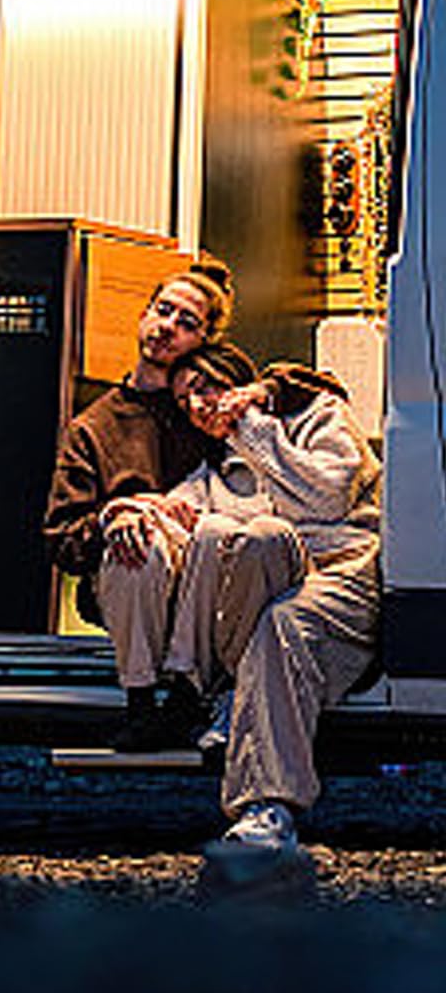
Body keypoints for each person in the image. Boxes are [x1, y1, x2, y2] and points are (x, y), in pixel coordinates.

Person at [158, 339, 381, 850]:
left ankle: (265, 798)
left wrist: (251, 425)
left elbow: (328, 496)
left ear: (237, 380)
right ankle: (262, 803)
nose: (197, 405)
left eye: (206, 387)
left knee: (285, 621)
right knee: (255, 547)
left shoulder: (319, 414)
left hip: (340, 568)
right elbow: (180, 512)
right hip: (273, 585)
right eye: (184, 400)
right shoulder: (217, 472)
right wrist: (135, 512)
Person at [42, 259, 233, 749]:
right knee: (137, 544)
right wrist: (114, 516)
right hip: (131, 581)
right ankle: (143, 705)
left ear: (204, 341)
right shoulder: (93, 426)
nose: (168, 327)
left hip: (207, 577)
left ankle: (190, 695)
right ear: (144, 314)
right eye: (163, 311)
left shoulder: (206, 413)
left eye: (187, 323)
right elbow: (61, 539)